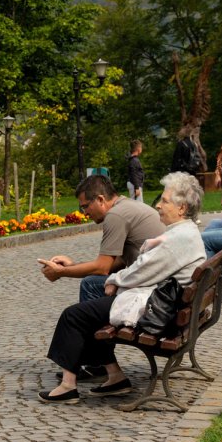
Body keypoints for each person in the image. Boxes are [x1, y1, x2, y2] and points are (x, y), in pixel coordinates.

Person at [39, 172, 208, 403]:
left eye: (165, 201)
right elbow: (141, 266)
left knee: (74, 315)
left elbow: (143, 270)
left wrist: (114, 281)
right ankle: (113, 375)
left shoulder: (176, 238)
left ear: (182, 208)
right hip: (170, 303)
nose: (158, 205)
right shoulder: (185, 233)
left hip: (159, 310)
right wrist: (114, 278)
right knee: (89, 305)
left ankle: (69, 385)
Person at [38, 173, 167, 378]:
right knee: (91, 284)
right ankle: (96, 360)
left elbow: (102, 268)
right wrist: (75, 265)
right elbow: (118, 262)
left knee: (90, 287)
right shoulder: (128, 206)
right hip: (162, 285)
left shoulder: (115, 216)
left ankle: (99, 361)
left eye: (85, 206)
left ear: (100, 199)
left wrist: (62, 272)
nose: (84, 212)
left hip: (153, 292)